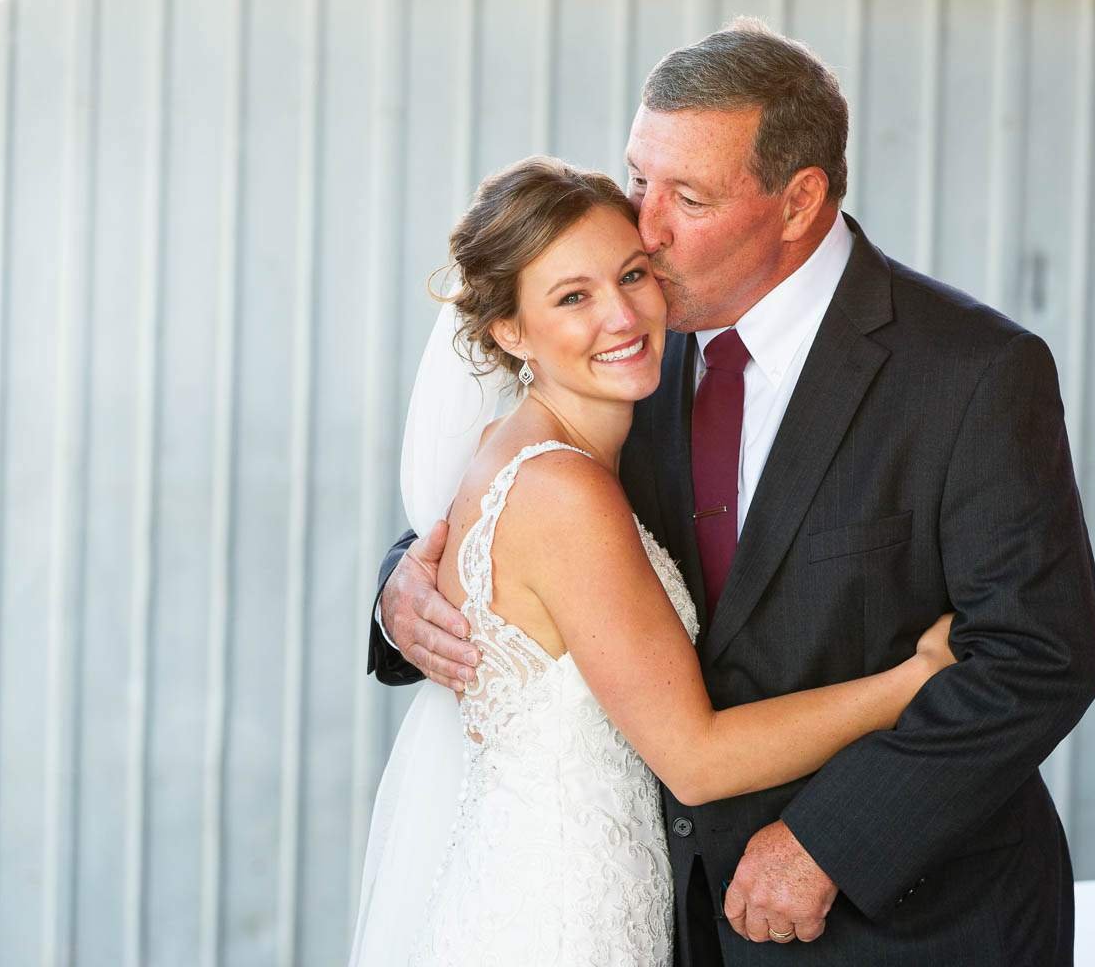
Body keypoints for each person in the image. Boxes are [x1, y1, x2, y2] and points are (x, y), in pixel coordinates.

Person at [375, 21, 1095, 965]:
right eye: (640, 178)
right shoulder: (623, 330)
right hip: (649, 910)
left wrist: (831, 841)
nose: (644, 226)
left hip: (905, 923)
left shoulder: (971, 373)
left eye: (689, 196)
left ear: (799, 201)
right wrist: (406, 590)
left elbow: (1037, 655)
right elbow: (508, 504)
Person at [350, 157, 956, 967]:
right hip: (566, 916)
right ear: (510, 330)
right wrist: (910, 682)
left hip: (580, 889)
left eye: (632, 275)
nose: (622, 316)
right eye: (573, 297)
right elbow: (696, 759)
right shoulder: (563, 488)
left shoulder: (536, 446)